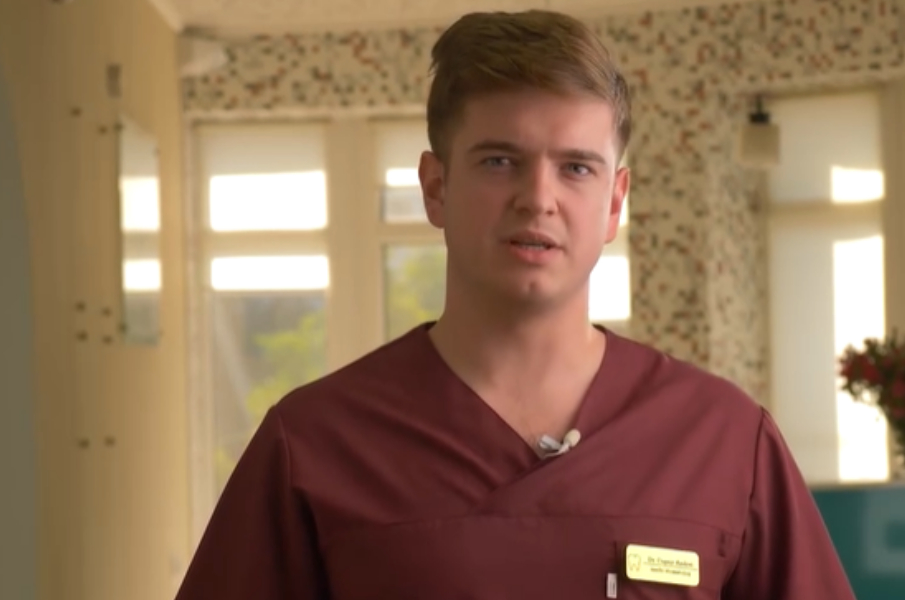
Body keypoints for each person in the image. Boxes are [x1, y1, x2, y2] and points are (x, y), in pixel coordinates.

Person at [175, 9, 856, 600]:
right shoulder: (315, 445)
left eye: (576, 167)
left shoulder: (723, 441)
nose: (538, 199)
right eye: (499, 161)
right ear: (435, 187)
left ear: (614, 201)